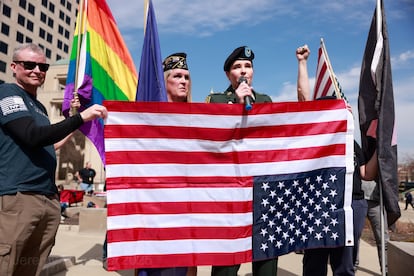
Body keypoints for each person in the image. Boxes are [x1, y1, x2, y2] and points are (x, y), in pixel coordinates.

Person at [0, 43, 108, 276]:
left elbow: (49, 144)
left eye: (42, 66)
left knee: (31, 268)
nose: (37, 70)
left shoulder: (38, 106)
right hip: (20, 197)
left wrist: (72, 122)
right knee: (7, 266)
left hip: (47, 199)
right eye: (29, 65)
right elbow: (32, 136)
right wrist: (79, 118)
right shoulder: (8, 93)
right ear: (14, 67)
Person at [296, 45, 377, 276]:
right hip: (320, 206)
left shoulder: (352, 143)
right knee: (314, 264)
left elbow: (366, 173)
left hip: (353, 205)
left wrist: (381, 152)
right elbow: (303, 102)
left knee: (345, 265)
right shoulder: (314, 139)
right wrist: (302, 63)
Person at [205, 46, 275, 276]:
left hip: (260, 191)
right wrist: (235, 104)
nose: (243, 71)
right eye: (237, 67)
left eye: (247, 66)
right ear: (228, 75)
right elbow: (211, 141)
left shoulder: (265, 101)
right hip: (229, 193)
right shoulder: (215, 100)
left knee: (265, 262)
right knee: (226, 265)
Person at [135, 53, 195, 276]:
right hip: (155, 205)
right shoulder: (150, 117)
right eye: (177, 76)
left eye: (187, 77)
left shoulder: (199, 118)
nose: (183, 81)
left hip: (185, 207)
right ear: (165, 80)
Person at [361, 180, 389, 274]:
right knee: (353, 236)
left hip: (377, 201)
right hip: (357, 198)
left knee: (383, 238)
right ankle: (352, 266)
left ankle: (386, 270)